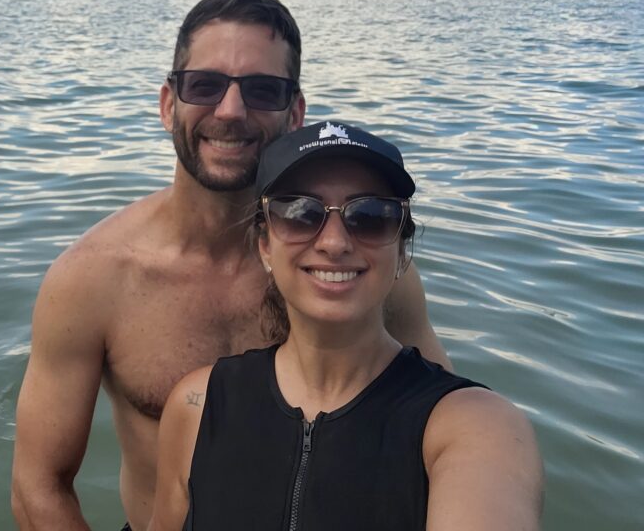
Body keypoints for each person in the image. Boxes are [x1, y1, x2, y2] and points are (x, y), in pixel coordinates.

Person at [11, 0, 451, 531]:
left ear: (296, 115)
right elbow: (39, 486)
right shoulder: (93, 279)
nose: (231, 111)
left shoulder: (351, 271)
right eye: (205, 85)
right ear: (169, 103)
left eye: (262, 90)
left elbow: (441, 432)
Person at [149, 121, 543, 531]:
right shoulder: (199, 406)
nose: (334, 242)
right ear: (265, 245)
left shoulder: (473, 427)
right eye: (300, 213)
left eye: (370, 215)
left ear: (401, 248)